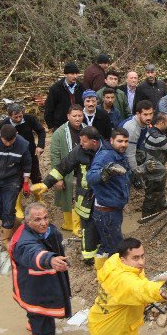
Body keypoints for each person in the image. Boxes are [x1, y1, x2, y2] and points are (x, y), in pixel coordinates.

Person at [88, 237, 167, 335]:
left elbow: (138, 284)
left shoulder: (115, 261)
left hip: (103, 320)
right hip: (114, 333)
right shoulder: (124, 281)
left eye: (142, 256)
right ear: (123, 259)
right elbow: (140, 289)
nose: (141, 262)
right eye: (135, 258)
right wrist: (160, 291)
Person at [31, 126, 102, 265]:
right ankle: (89, 257)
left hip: (103, 195)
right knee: (87, 226)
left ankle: (104, 251)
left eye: (84, 141)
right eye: (80, 141)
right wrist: (46, 184)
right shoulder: (79, 151)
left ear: (94, 142)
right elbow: (62, 167)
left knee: (103, 223)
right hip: (86, 196)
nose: (81, 144)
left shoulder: (105, 151)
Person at [9, 203, 71, 335]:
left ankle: (34, 324)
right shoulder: (23, 243)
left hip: (38, 286)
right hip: (35, 291)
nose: (44, 223)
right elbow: (33, 253)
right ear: (28, 222)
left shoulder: (47, 230)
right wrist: (50, 260)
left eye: (45, 218)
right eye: (38, 220)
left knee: (39, 317)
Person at [87, 128, 132, 270]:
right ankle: (115, 276)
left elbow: (123, 176)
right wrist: (104, 171)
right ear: (111, 141)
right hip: (106, 212)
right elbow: (90, 177)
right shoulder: (105, 156)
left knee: (107, 244)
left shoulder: (118, 154)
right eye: (120, 141)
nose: (123, 144)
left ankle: (102, 272)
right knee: (116, 249)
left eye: (126, 141)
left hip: (112, 209)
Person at [0, 103, 47, 218]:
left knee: (36, 176)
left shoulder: (29, 119)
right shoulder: (4, 124)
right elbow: (1, 140)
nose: (18, 119)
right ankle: (17, 205)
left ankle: (38, 197)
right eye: (15, 117)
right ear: (9, 116)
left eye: (20, 116)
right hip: (14, 157)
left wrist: (40, 145)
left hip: (31, 153)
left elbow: (41, 131)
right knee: (17, 180)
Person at [51, 105, 84, 236]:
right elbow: (55, 156)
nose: (77, 119)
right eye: (74, 116)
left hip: (82, 171)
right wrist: (57, 178)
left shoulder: (87, 129)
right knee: (67, 198)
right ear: (68, 116)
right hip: (67, 172)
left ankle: (77, 225)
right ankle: (68, 223)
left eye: (80, 115)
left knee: (80, 198)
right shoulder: (59, 133)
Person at [44, 62, 84, 130]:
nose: (75, 76)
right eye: (72, 74)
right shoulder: (55, 88)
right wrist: (51, 125)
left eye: (76, 74)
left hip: (78, 124)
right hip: (61, 125)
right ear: (66, 74)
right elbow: (49, 108)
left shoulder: (81, 87)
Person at [122, 100, 153, 189]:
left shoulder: (145, 123)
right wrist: (136, 174)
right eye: (145, 114)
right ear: (138, 114)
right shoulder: (132, 128)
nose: (149, 117)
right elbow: (129, 154)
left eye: (151, 114)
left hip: (135, 149)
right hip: (121, 153)